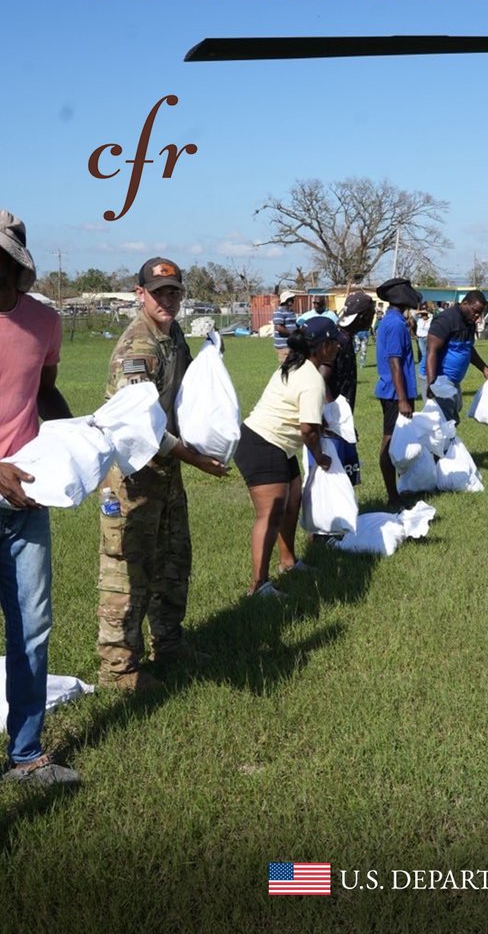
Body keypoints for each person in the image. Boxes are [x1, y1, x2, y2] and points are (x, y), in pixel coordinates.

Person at [98, 258, 229, 691]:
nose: (167, 300)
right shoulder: (139, 346)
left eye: (174, 292)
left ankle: (169, 644)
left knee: (174, 558)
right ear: (140, 294)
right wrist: (197, 459)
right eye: (159, 293)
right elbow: (140, 427)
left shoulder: (172, 336)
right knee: (128, 569)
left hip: (166, 471)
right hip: (132, 475)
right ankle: (119, 668)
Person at [0, 211, 78, 787]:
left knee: (32, 626)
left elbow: (45, 393)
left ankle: (25, 755)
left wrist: (82, 443)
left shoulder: (44, 322)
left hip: (26, 498)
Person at [234, 317, 341, 597]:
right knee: (270, 516)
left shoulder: (295, 365)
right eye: (335, 342)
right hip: (262, 444)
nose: (339, 347)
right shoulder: (312, 379)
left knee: (292, 503)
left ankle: (288, 562)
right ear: (324, 346)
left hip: (279, 445)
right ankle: (259, 586)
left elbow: (301, 413)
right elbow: (308, 431)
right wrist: (320, 457)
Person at [374, 278, 421, 506]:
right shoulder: (394, 324)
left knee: (400, 441)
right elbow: (394, 362)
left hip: (398, 391)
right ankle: (392, 496)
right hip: (395, 393)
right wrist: (402, 399)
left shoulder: (397, 321)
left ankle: (402, 488)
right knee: (391, 441)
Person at [321, 291, 376, 486]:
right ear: (361, 317)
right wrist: (335, 417)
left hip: (340, 419)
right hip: (331, 423)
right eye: (371, 315)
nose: (372, 319)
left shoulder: (345, 338)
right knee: (334, 478)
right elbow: (321, 379)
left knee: (344, 476)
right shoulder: (339, 341)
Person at [421, 291, 488, 422]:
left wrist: (484, 368)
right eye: (475, 311)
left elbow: (467, 347)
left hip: (453, 380)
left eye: (480, 313)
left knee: (453, 415)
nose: (477, 316)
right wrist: (432, 384)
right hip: (438, 378)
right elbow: (431, 351)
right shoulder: (446, 319)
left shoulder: (469, 321)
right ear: (465, 303)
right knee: (444, 422)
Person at [272, 290, 299, 365]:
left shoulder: (291, 312)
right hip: (284, 346)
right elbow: (279, 328)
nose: (293, 301)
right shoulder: (279, 312)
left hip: (292, 345)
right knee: (286, 366)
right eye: (291, 299)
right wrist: (292, 334)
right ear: (286, 301)